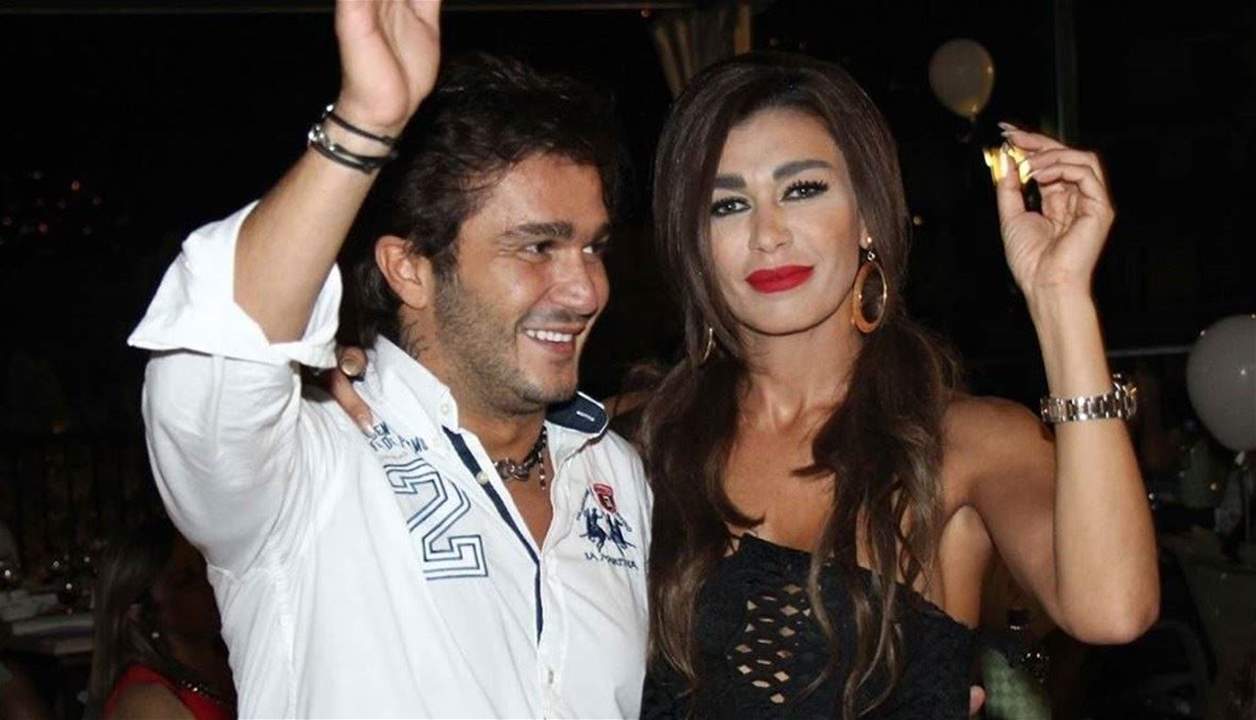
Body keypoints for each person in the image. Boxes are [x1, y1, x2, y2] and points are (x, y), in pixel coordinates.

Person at [127, 1, 649, 717]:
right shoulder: (310, 464)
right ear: (410, 269)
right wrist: (363, 125)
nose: (587, 289)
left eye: (593, 247)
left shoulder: (612, 473)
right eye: (537, 247)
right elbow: (219, 349)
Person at [636, 52, 1159, 718]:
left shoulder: (966, 443)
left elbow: (1113, 609)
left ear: (868, 215)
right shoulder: (639, 447)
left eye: (803, 190)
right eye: (728, 204)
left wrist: (1059, 299)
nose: (768, 234)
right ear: (693, 243)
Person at [88, 519, 234, 720]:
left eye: (208, 569)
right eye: (186, 580)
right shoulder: (146, 703)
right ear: (141, 611)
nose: (210, 583)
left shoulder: (225, 666)